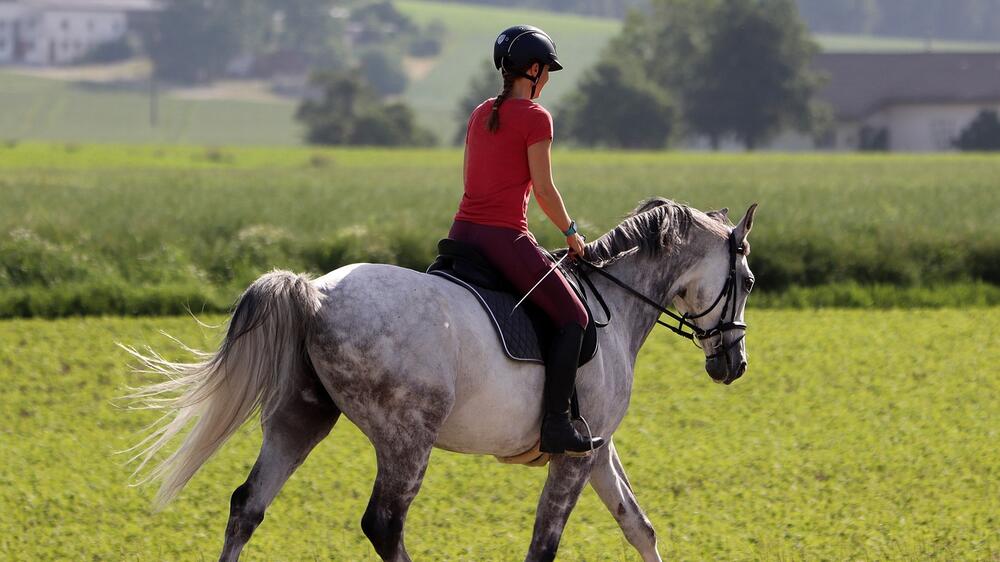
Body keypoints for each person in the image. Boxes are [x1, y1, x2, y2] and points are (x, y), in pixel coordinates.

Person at [448, 25, 605, 455]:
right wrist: (572, 235)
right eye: (547, 72)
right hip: (503, 240)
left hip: (462, 235)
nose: (548, 81)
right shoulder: (536, 118)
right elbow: (544, 190)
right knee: (574, 317)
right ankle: (555, 423)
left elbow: (473, 182)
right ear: (533, 71)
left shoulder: (481, 113)